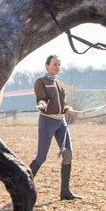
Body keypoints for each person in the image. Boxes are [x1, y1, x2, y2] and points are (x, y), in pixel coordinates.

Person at [28, 55, 82, 200]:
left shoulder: (60, 84)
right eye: (54, 64)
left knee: (68, 154)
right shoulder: (41, 81)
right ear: (47, 66)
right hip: (47, 122)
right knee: (41, 157)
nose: (57, 67)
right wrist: (42, 103)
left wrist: (67, 108)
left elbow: (62, 103)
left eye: (59, 64)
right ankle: (22, 186)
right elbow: (41, 98)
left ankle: (65, 192)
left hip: (61, 122)